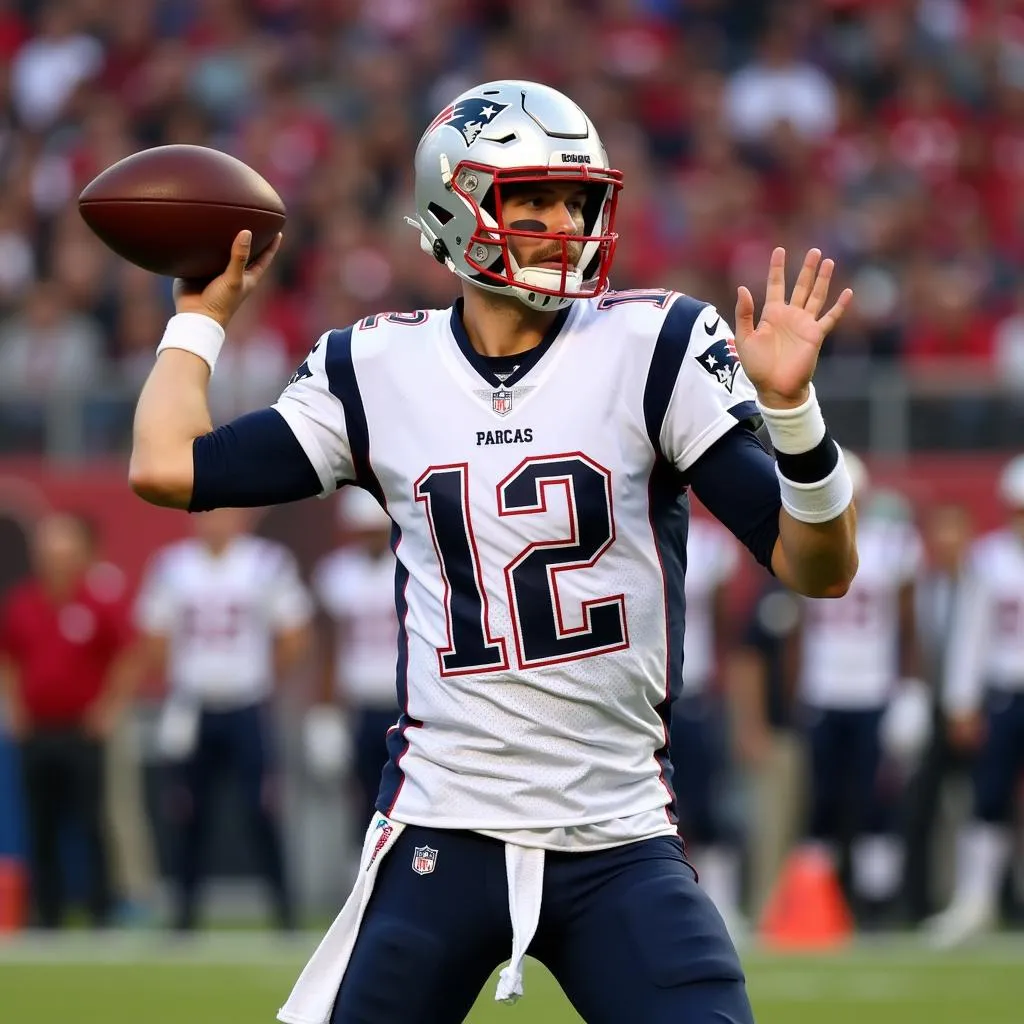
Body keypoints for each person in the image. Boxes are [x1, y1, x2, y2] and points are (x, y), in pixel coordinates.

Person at [128, 81, 857, 1024]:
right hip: (441, 826)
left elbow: (819, 568)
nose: (566, 222)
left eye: (576, 199)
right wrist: (200, 316)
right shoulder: (376, 368)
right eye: (534, 200)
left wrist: (794, 416)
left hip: (616, 832)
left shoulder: (657, 344)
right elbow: (167, 465)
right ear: (453, 208)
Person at [133, 507, 314, 932]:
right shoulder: (172, 565)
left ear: (238, 518)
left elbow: (295, 633)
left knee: (262, 809)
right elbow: (154, 635)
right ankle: (183, 913)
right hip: (193, 705)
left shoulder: (266, 562)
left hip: (247, 704)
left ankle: (283, 909)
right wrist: (184, 678)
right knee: (187, 812)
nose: (213, 522)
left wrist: (263, 678)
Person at [793, 455, 924, 924]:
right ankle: (817, 907)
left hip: (874, 691)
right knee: (822, 801)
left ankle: (876, 905)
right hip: (823, 689)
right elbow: (796, 627)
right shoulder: (807, 540)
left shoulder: (892, 546)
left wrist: (911, 689)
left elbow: (910, 627)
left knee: (875, 802)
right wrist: (794, 692)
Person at [0, 512, 138, 928]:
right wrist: (15, 710)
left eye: (64, 552)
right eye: (49, 552)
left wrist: (108, 708)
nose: (56, 560)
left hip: (82, 728)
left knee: (90, 820)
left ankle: (100, 907)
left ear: (81, 556)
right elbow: (9, 658)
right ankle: (48, 911)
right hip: (37, 728)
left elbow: (128, 656)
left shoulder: (98, 601)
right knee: (41, 823)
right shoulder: (24, 602)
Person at [925, 457, 1024, 947]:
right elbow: (972, 636)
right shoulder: (990, 559)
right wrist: (961, 700)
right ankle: (977, 900)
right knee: (988, 798)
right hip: (1006, 693)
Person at [669, 515, 745, 938]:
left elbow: (722, 628)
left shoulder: (710, 544)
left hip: (692, 691)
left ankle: (723, 905)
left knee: (706, 807)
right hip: (637, 696)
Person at [308, 488, 400, 830]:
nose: (372, 537)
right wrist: (324, 710)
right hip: (358, 703)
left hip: (405, 703)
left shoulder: (408, 567)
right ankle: (360, 866)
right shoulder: (336, 573)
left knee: (406, 794)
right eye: (365, 530)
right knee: (361, 794)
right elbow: (328, 647)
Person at [902, 500, 974, 924]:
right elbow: (917, 648)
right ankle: (919, 902)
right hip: (933, 708)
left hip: (974, 709)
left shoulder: (983, 584)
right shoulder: (924, 587)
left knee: (977, 806)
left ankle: (983, 897)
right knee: (921, 807)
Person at [724, 572, 803, 922]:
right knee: (770, 828)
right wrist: (750, 725)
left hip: (814, 726)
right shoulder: (776, 595)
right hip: (778, 730)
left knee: (799, 828)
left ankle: (793, 913)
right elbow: (746, 658)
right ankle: (766, 913)